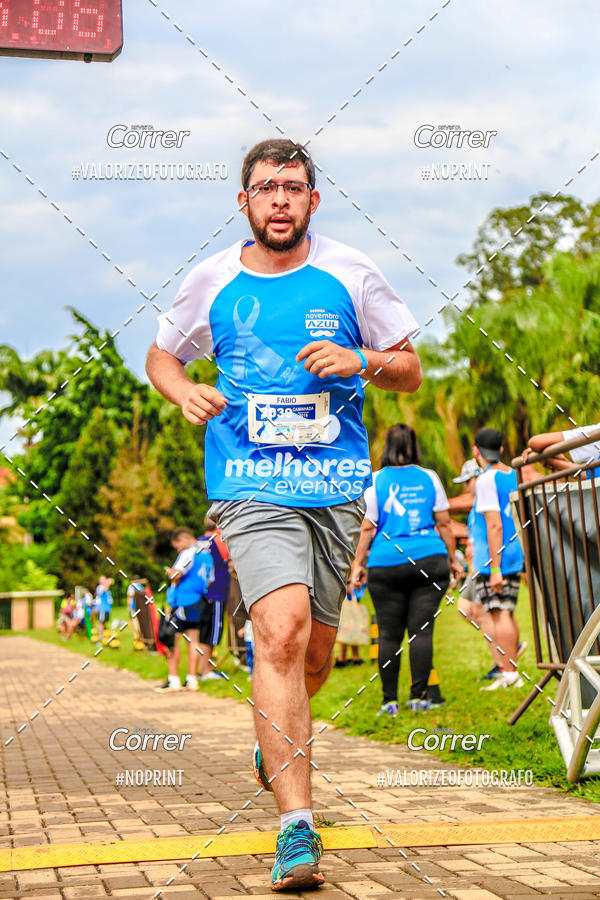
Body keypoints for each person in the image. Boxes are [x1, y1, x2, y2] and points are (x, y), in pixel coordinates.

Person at [145, 137, 421, 891]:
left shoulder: (351, 273)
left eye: (292, 187)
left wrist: (361, 360)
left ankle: (276, 744)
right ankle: (296, 827)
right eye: (266, 188)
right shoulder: (213, 279)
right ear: (244, 202)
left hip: (334, 486)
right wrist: (184, 391)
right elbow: (163, 356)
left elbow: (409, 369)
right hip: (248, 482)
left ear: (313, 200)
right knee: (281, 630)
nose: (279, 200)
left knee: (315, 659)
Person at [350, 424, 461, 715]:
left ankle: (389, 702)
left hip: (385, 562)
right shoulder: (429, 477)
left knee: (388, 635)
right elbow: (444, 523)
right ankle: (419, 698)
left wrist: (357, 565)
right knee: (421, 632)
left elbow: (367, 528)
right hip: (429, 559)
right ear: (413, 445)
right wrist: (453, 560)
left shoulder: (375, 480)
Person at [471, 428, 525, 691]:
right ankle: (511, 671)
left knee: (498, 612)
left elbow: (494, 525)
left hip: (494, 557)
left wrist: (494, 568)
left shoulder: (485, 479)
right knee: (507, 612)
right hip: (515, 551)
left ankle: (510, 674)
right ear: (501, 449)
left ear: (476, 451)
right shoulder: (514, 475)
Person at [155, 527, 215, 693]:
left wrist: (169, 572)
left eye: (177, 546)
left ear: (182, 539)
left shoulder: (188, 553)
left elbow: (177, 575)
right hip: (199, 601)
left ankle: (173, 680)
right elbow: (210, 580)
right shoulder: (207, 556)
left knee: (171, 639)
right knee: (193, 640)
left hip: (183, 601)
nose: (177, 549)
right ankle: (192, 679)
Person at [195, 516, 230, 680]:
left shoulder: (198, 542)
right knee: (211, 633)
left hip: (200, 594)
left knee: (202, 632)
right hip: (216, 592)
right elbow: (230, 558)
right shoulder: (218, 540)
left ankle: (201, 668)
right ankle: (206, 669)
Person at [524, 422, 600, 478]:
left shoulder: (596, 431)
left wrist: (547, 457)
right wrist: (550, 460)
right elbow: (590, 475)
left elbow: (535, 442)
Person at [334, 583, 366, 667]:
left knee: (347, 630)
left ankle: (343, 658)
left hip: (349, 600)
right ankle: (353, 657)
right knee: (350, 629)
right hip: (351, 598)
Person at [95, 576, 114, 642]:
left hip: (107, 609)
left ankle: (105, 635)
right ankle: (101, 636)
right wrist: (108, 583)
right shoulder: (100, 587)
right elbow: (102, 591)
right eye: (103, 579)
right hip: (102, 608)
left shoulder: (107, 589)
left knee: (104, 623)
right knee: (101, 622)